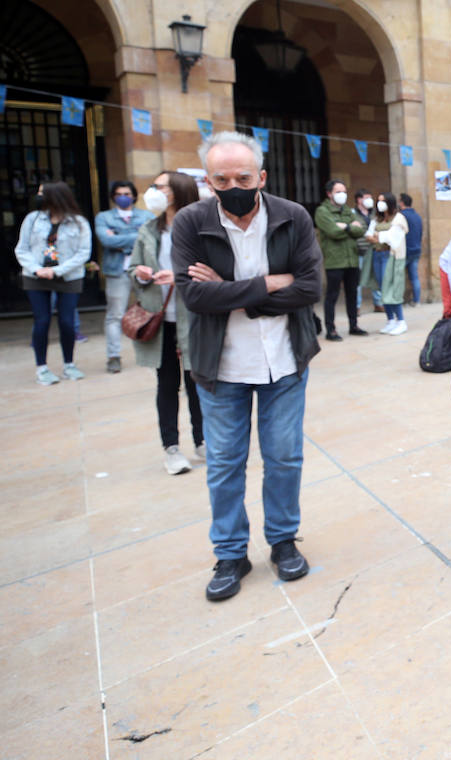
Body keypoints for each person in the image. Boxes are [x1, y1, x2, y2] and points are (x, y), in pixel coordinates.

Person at [172, 132, 322, 601]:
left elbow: (310, 288)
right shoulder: (190, 222)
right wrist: (268, 284)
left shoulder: (292, 217)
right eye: (221, 178)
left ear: (261, 176)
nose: (232, 185)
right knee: (223, 464)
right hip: (220, 367)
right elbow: (194, 296)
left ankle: (282, 540)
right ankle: (231, 552)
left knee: (283, 458)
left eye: (242, 177)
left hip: (283, 361)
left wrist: (232, 290)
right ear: (208, 180)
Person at [129, 171, 205, 475]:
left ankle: (203, 441)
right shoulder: (149, 228)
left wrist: (180, 278)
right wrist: (141, 273)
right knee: (167, 385)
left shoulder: (200, 227)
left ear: (176, 192)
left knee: (198, 383)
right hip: (160, 320)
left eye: (158, 187)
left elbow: (213, 268)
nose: (152, 192)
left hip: (194, 318)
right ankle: (171, 448)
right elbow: (133, 266)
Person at [15, 181, 92, 385]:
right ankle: (42, 368)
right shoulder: (32, 219)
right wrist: (36, 269)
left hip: (68, 277)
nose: (38, 196)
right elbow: (21, 249)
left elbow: (83, 252)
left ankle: (69, 364)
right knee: (42, 321)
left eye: (42, 193)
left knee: (67, 321)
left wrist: (56, 270)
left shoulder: (78, 222)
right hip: (35, 277)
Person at [96, 179, 153, 373]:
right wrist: (136, 235)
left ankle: (150, 353)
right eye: (119, 194)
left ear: (134, 196)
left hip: (143, 269)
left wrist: (119, 237)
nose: (123, 197)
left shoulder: (147, 215)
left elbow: (151, 238)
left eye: (127, 194)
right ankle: (113, 356)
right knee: (115, 314)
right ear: (113, 196)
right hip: (117, 271)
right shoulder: (103, 217)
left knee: (150, 310)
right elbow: (106, 240)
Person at [314, 178, 368, 341]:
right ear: (329, 194)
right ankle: (331, 329)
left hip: (352, 258)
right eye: (338, 192)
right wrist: (351, 227)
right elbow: (332, 232)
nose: (342, 195)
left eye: (344, 192)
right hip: (335, 260)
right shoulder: (322, 211)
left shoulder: (348, 211)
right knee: (332, 295)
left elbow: (362, 230)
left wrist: (344, 226)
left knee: (352, 294)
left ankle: (354, 325)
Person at [366, 192, 409, 334]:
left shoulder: (399, 218)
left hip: (391, 257)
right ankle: (390, 319)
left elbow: (392, 238)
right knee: (382, 289)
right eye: (378, 200)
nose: (380, 203)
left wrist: (378, 236)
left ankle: (401, 321)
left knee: (392, 287)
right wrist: (379, 237)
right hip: (377, 255)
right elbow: (369, 236)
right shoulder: (377, 219)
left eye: (382, 201)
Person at [355, 188, 382, 313]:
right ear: (359, 199)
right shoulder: (352, 213)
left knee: (375, 277)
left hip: (371, 251)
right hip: (358, 251)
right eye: (366, 197)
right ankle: (357, 306)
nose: (369, 200)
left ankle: (378, 303)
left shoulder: (374, 214)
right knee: (357, 281)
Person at [399, 192, 423, 305]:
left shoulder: (401, 216)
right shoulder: (417, 216)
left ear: (402, 202)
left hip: (405, 250)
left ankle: (399, 299)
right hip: (416, 249)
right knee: (414, 277)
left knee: (399, 276)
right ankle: (416, 300)